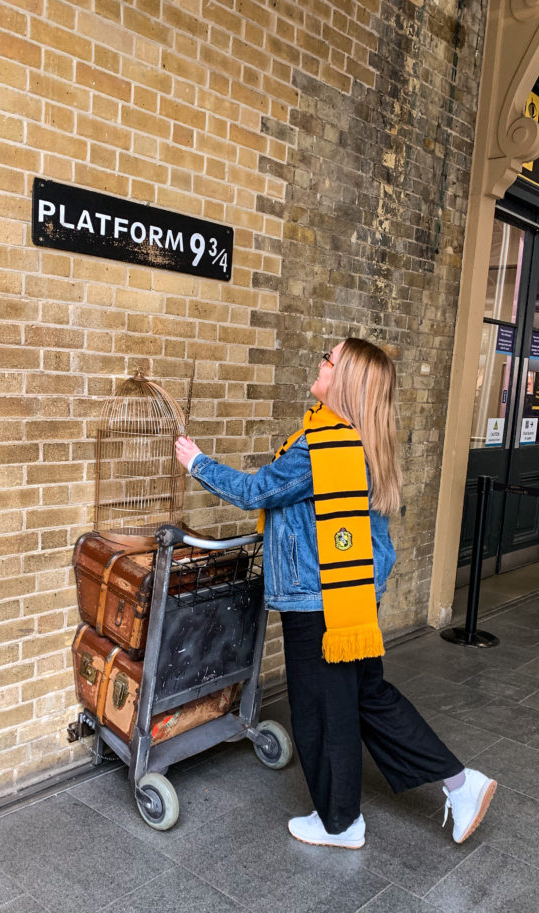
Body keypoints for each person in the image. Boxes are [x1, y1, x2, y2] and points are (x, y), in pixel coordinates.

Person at [175, 338, 496, 849]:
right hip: (352, 595)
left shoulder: (321, 445)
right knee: (367, 697)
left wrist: (197, 463)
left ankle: (339, 822)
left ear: (343, 379)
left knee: (323, 710)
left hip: (318, 597)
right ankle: (461, 784)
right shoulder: (361, 439)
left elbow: (257, 491)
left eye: (329, 358)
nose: (320, 363)